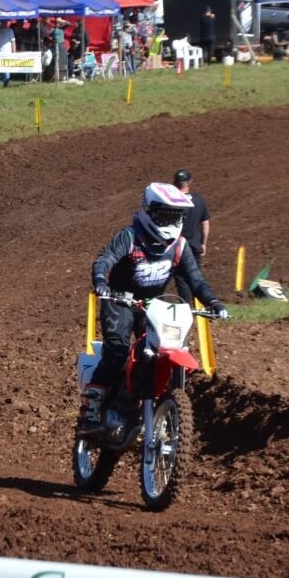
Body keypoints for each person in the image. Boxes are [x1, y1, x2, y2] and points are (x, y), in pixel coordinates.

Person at [79, 182, 228, 435]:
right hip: (119, 300)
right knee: (118, 349)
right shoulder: (130, 237)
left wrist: (213, 302)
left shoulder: (179, 246)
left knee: (161, 349)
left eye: (176, 216)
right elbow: (104, 260)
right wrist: (102, 283)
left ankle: (147, 399)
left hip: (152, 306)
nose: (170, 222)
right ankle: (90, 412)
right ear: (149, 211)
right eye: (165, 215)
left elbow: (196, 279)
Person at [171, 169, 211, 305]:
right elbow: (205, 224)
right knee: (196, 277)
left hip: (177, 248)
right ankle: (202, 306)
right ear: (190, 182)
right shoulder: (199, 200)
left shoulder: (171, 202)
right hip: (194, 246)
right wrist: (203, 243)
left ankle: (186, 308)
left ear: (175, 183)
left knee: (182, 279)